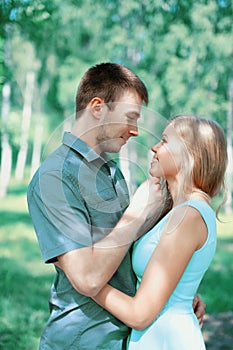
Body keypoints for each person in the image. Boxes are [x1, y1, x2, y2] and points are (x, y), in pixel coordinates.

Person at [27, 63, 205, 349]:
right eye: (131, 117)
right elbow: (87, 278)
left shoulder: (111, 172)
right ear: (97, 107)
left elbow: (123, 250)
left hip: (127, 339)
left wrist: (174, 294)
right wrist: (135, 214)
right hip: (83, 341)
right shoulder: (54, 179)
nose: (135, 130)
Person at [92, 114, 228, 349]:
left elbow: (139, 315)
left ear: (190, 155)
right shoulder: (177, 211)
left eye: (165, 141)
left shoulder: (188, 215)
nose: (154, 147)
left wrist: (87, 283)